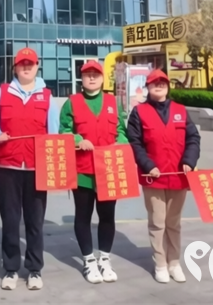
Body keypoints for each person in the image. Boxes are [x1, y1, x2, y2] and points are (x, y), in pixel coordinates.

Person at [0, 47, 59, 291]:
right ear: (15, 68)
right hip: (8, 165)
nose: (26, 67)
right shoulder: (2, 93)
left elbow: (54, 133)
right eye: (22, 64)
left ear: (37, 66)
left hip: (37, 167)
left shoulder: (47, 96)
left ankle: (35, 269)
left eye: (30, 63)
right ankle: (10, 268)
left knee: (35, 222)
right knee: (10, 220)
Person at [126, 69, 200, 284]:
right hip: (153, 177)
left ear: (168, 86)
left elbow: (193, 138)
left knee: (174, 222)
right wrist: (148, 165)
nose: (158, 86)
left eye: (163, 83)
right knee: (158, 222)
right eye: (154, 83)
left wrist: (189, 161)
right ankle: (160, 263)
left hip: (178, 176)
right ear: (148, 87)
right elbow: (135, 142)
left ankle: (174, 262)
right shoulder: (139, 112)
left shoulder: (181, 110)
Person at [59, 60, 128, 284]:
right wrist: (78, 140)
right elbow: (64, 131)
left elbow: (121, 130)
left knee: (107, 215)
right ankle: (89, 260)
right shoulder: (72, 102)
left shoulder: (113, 102)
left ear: (102, 78)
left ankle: (104, 259)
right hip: (83, 170)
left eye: (95, 74)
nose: (91, 77)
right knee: (83, 215)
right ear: (81, 78)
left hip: (108, 169)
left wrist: (120, 143)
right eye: (87, 74)